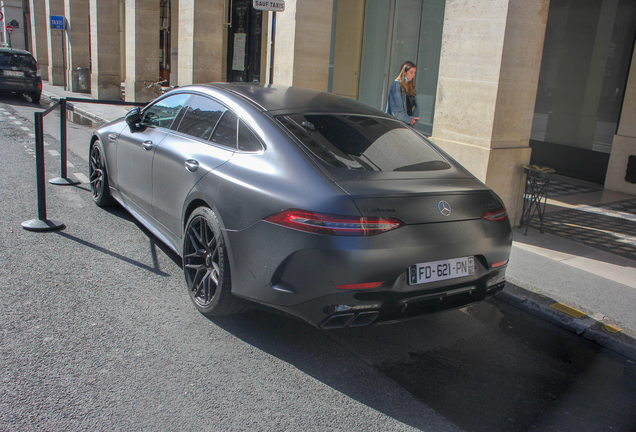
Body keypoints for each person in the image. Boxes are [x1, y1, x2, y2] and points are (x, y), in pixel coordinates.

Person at [386, 61, 419, 125]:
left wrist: (415, 118)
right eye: (411, 72)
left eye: (414, 72)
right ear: (404, 72)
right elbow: (396, 111)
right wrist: (409, 119)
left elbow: (416, 106)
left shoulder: (412, 87)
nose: (413, 75)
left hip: (408, 123)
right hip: (398, 123)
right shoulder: (397, 85)